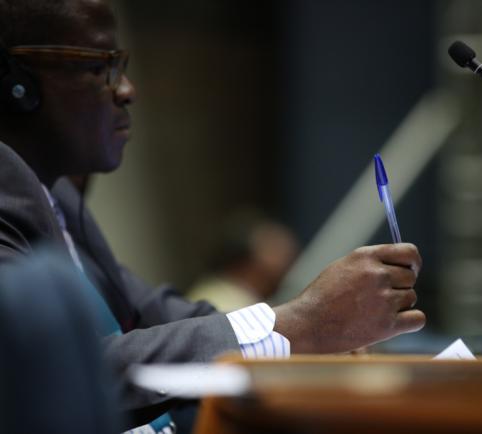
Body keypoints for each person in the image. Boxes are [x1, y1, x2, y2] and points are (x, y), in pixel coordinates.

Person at [0, 0, 425, 431]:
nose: (127, 89)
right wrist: (301, 324)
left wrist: (311, 329)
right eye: (100, 65)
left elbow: (155, 312)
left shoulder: (57, 198)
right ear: (15, 84)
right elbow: (76, 372)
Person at [187, 209, 299, 312]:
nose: (289, 253)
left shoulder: (249, 297)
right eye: (274, 247)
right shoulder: (217, 303)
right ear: (245, 261)